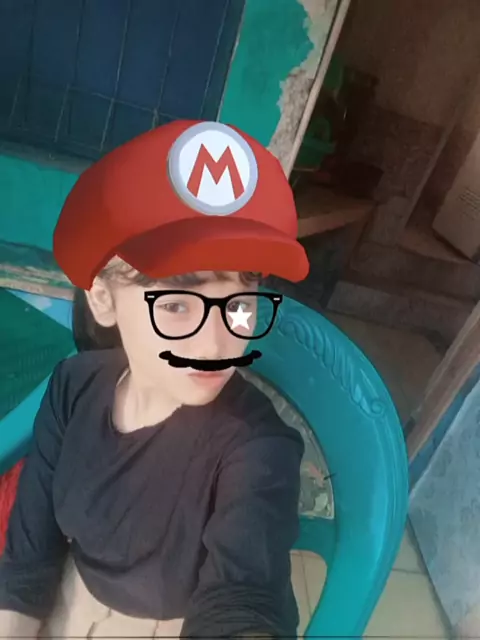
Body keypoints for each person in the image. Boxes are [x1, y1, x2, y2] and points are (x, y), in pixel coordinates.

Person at [0, 120, 310, 638]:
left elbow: (243, 601)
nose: (216, 348)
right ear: (103, 299)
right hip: (69, 603)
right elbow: (29, 557)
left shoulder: (257, 448)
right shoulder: (73, 388)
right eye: (176, 305)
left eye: (240, 302)